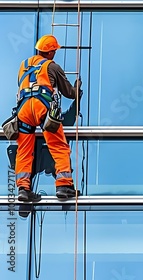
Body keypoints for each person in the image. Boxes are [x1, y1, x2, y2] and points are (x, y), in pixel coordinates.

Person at [16, 34, 81, 202]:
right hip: (41, 107)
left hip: (23, 110)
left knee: (24, 150)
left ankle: (23, 188)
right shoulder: (52, 66)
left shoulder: (23, 65)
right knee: (58, 146)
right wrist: (77, 88)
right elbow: (69, 93)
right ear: (51, 52)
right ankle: (63, 185)